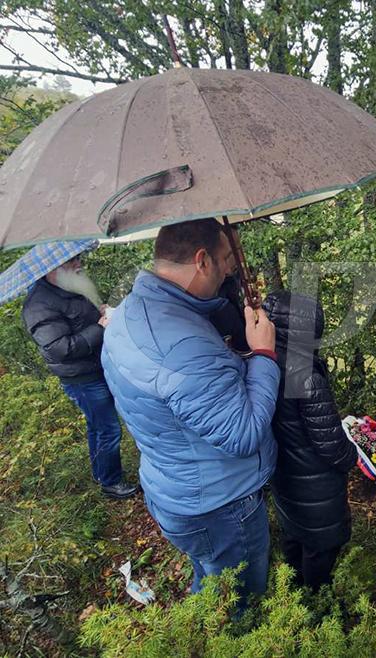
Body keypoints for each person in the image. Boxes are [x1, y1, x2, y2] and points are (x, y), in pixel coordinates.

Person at [101, 218, 280, 602]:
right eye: (227, 257)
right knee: (240, 604)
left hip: (175, 489)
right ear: (202, 261)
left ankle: (201, 626)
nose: (232, 267)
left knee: (211, 583)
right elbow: (243, 434)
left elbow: (172, 396)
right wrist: (263, 353)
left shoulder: (129, 314)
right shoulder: (182, 345)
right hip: (220, 505)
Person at [262, 290, 357, 590]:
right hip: (316, 488)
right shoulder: (305, 376)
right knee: (320, 550)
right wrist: (353, 455)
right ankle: (318, 605)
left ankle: (291, 595)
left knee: (294, 537)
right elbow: (331, 445)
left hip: (285, 477)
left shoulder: (263, 362)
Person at [22, 253, 138, 499]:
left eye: (78, 258)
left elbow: (80, 318)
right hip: (82, 378)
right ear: (51, 268)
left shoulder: (65, 287)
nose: (78, 264)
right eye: (71, 261)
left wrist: (102, 312)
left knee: (97, 426)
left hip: (94, 367)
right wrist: (100, 327)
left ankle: (101, 474)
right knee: (108, 429)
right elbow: (61, 348)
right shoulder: (38, 305)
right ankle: (111, 483)